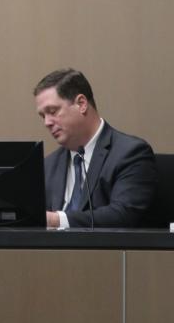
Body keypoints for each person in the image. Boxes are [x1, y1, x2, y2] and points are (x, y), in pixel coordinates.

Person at [33, 68, 156, 229]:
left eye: (52, 111)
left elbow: (123, 215)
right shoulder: (48, 165)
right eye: (43, 116)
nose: (47, 122)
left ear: (81, 104)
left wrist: (56, 220)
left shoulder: (131, 153)